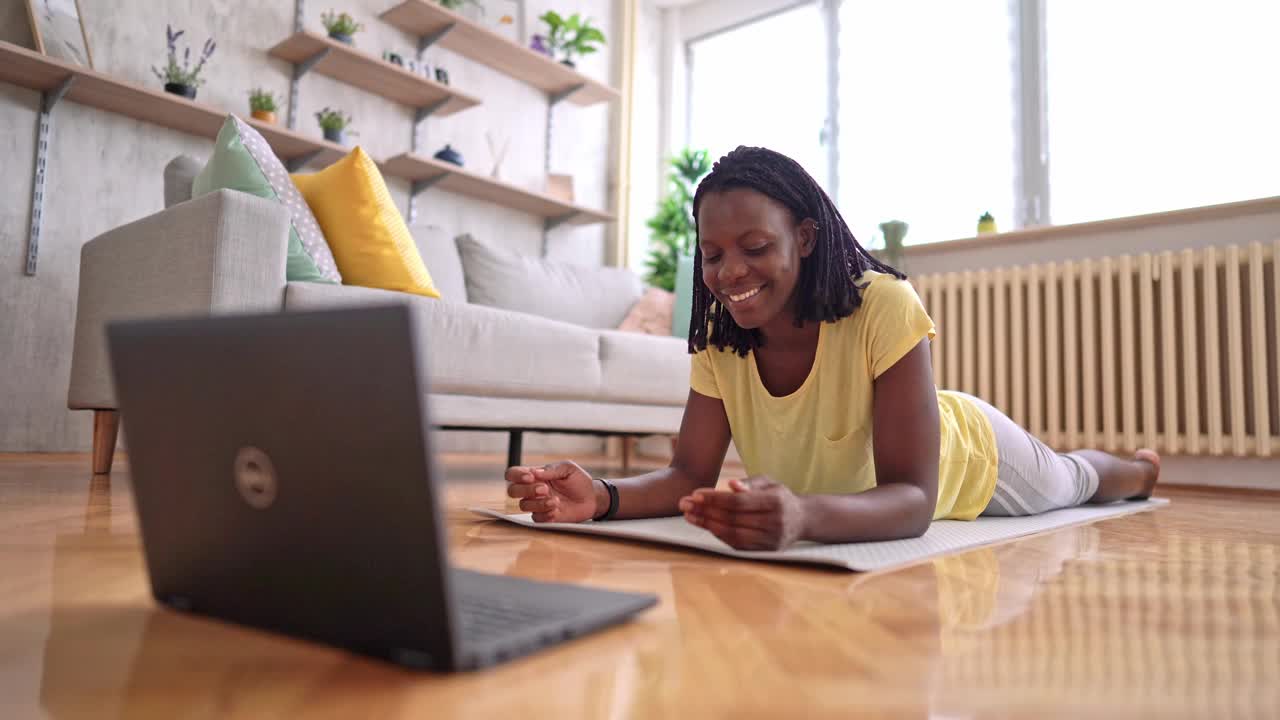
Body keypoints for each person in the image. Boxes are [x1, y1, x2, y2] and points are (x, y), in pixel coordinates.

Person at [505, 146, 1159, 551]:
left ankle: (1138, 470)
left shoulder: (883, 304)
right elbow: (688, 476)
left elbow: (911, 497)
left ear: (807, 239)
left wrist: (802, 517)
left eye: (755, 248)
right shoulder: (723, 341)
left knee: (1077, 481)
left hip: (972, 459)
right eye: (712, 254)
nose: (729, 272)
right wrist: (603, 496)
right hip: (880, 473)